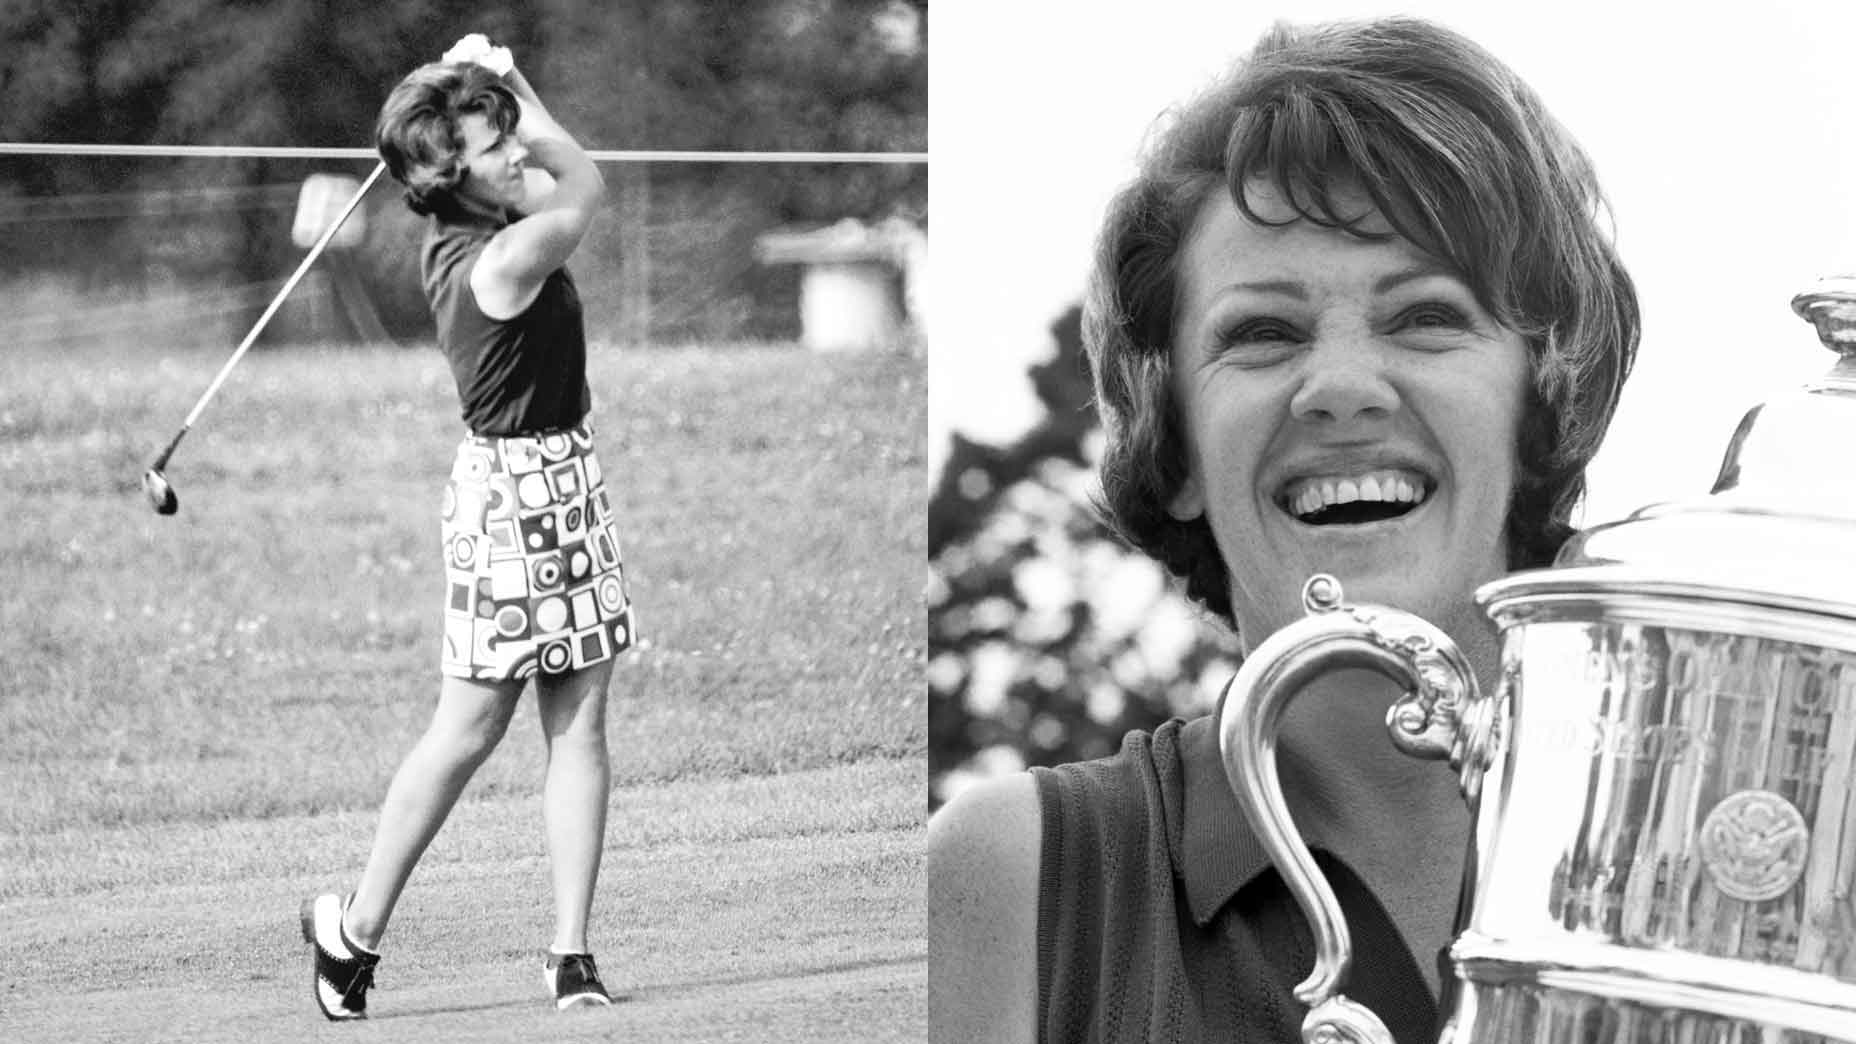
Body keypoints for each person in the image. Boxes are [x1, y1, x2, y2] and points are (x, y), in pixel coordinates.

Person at [927, 16, 1639, 1043]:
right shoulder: (1022, 875)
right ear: (1174, 446)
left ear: (1539, 405)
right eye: (1262, 333)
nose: (1340, 388)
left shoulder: (1703, 862)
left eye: (1424, 316)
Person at [299, 33, 634, 1019]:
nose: (513, 153)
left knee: (579, 722)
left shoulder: (488, 215)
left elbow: (545, 172)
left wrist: (486, 92)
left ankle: (570, 954)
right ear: (450, 175)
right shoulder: (504, 253)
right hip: (510, 501)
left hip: (564, 479)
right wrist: (517, 81)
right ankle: (350, 935)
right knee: (469, 727)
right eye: (492, 147)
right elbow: (585, 180)